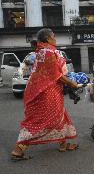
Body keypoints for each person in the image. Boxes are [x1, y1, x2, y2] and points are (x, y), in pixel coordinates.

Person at [11, 28, 79, 161]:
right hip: (46, 92)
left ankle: (63, 143)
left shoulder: (41, 51)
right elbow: (56, 74)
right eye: (53, 36)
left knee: (60, 115)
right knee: (40, 120)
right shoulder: (48, 52)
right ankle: (19, 149)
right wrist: (71, 83)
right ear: (47, 38)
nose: (55, 38)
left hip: (40, 90)